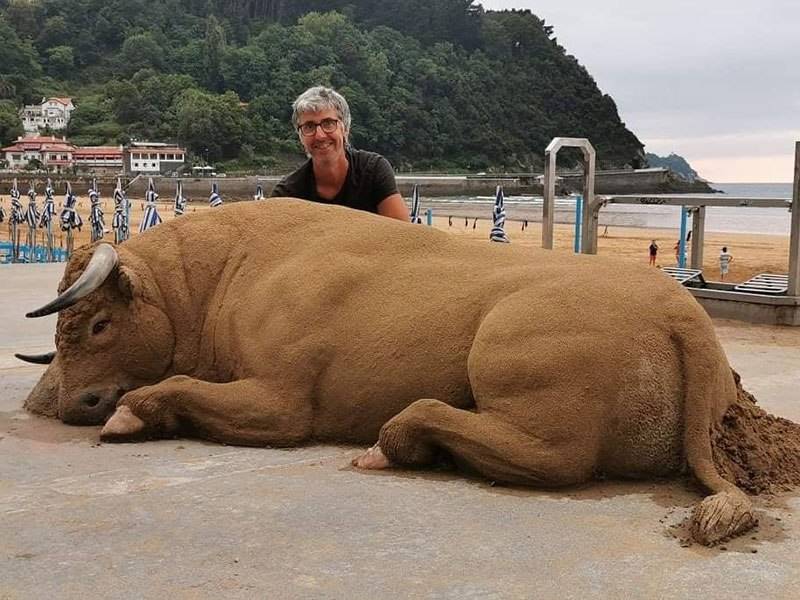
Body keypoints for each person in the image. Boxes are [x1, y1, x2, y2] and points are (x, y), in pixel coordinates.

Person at [270, 86, 409, 221]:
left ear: (345, 129)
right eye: (309, 127)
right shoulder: (287, 195)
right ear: (300, 136)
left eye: (328, 123)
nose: (320, 135)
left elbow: (403, 235)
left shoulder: (373, 171)